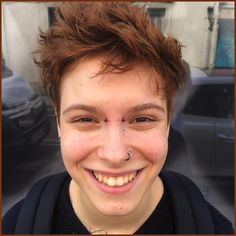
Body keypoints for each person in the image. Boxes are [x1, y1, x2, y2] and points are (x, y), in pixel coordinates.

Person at [3, 2, 234, 234]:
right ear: (59, 123)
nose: (115, 155)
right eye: (85, 119)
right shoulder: (15, 227)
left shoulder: (214, 229)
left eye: (142, 119)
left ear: (167, 123)